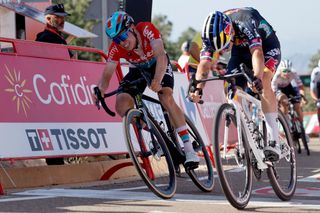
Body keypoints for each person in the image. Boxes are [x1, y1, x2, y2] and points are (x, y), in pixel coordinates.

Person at [95, 11, 200, 166]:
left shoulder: (146, 29)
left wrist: (157, 80)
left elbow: (161, 56)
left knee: (165, 96)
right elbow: (107, 73)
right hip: (139, 70)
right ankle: (156, 135)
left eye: (123, 36)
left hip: (158, 64)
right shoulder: (116, 48)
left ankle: (189, 149)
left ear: (131, 28)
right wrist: (100, 90)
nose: (121, 42)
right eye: (116, 39)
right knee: (122, 104)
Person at [189, 7, 282, 161]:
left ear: (230, 32)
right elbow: (204, 65)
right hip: (240, 52)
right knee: (232, 91)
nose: (224, 52)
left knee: (264, 80)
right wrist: (198, 87)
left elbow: (257, 53)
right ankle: (248, 132)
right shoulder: (210, 35)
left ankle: (274, 141)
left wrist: (257, 77)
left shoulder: (245, 21)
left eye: (225, 46)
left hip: (266, 46)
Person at [36, 3, 71, 165]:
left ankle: (58, 164)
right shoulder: (45, 38)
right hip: (50, 91)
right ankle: (56, 165)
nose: (62, 20)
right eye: (58, 17)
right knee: (53, 129)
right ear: (48, 19)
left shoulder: (57, 38)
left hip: (59, 90)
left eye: (63, 17)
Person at [272, 59, 306, 124]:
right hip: (279, 89)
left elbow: (301, 86)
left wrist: (303, 97)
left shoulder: (293, 73)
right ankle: (286, 123)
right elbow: (274, 92)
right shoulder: (276, 77)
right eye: (284, 71)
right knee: (284, 102)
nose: (287, 73)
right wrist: (276, 103)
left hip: (288, 87)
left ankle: (302, 127)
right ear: (280, 70)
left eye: (288, 71)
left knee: (297, 106)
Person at [310, 59, 320, 126]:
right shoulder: (316, 72)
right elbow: (312, 89)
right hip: (318, 87)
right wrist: (316, 99)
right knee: (319, 105)